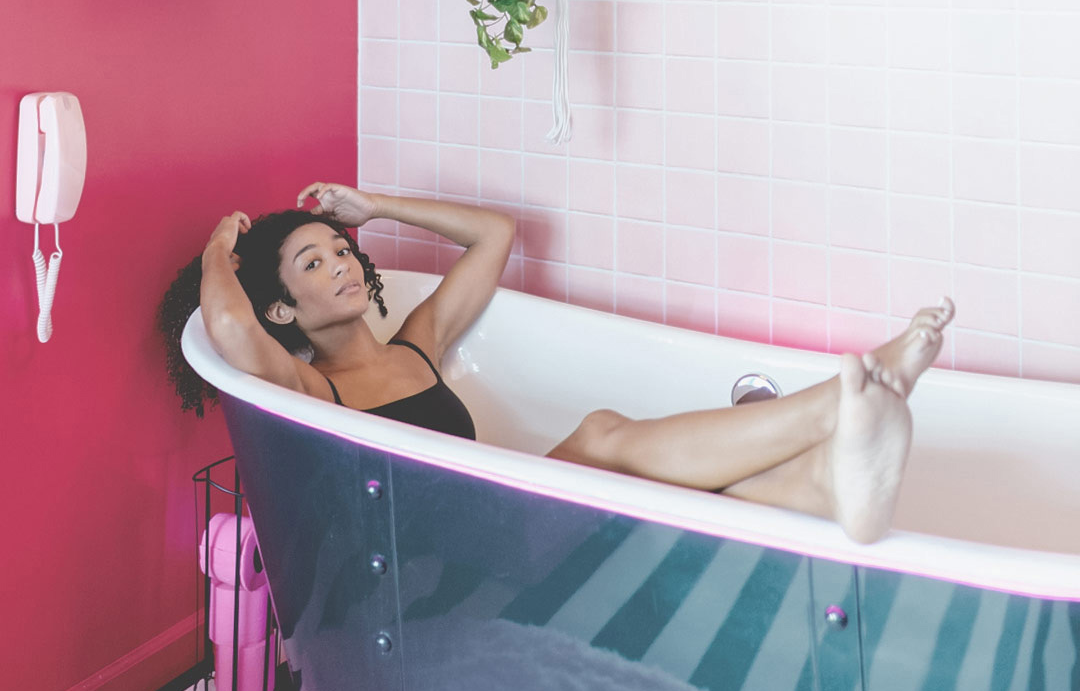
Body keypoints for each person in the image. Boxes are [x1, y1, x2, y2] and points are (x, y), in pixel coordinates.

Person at [178, 181, 955, 545]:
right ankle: (841, 403)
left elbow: (495, 235)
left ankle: (827, 484)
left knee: (613, 443)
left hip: (499, 523)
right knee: (602, 433)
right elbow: (228, 328)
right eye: (312, 264)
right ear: (282, 309)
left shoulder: (418, 343)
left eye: (341, 248)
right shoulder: (317, 391)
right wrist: (224, 245)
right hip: (447, 557)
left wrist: (377, 205)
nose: (342, 260)